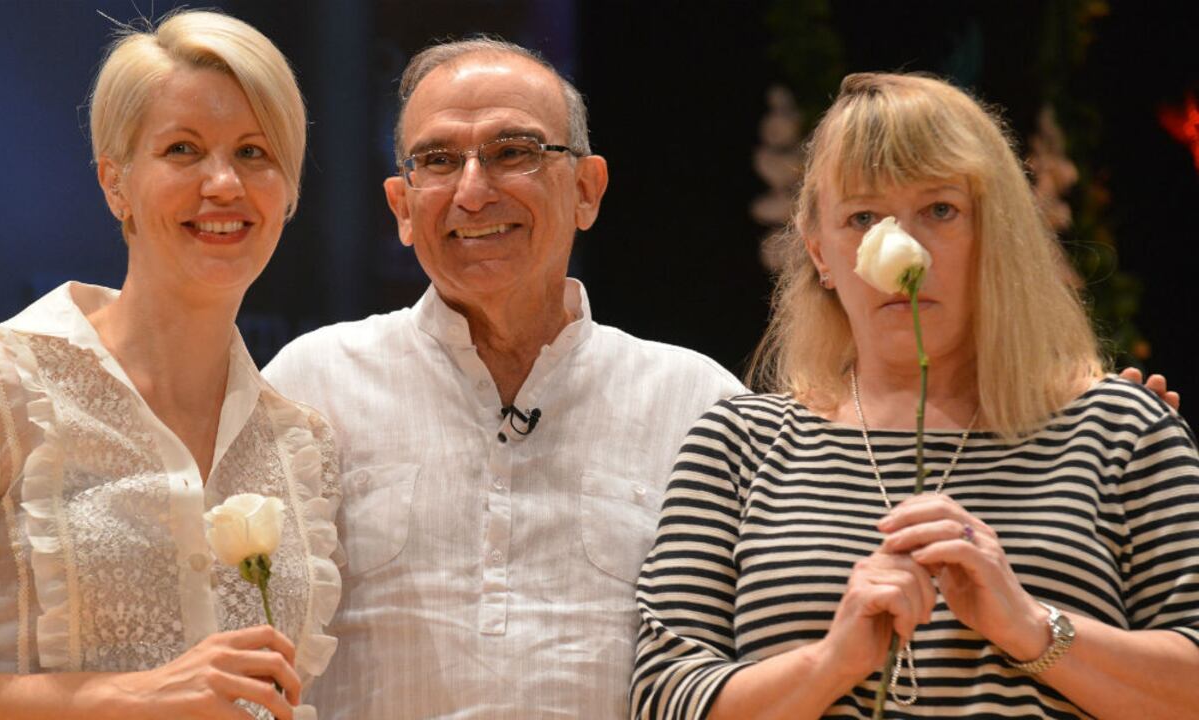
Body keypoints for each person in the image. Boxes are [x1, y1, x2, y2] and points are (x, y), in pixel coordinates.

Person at [632, 72, 1199, 719]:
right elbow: (661, 700)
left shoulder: (1122, 430)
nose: (907, 251)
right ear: (820, 252)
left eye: (940, 210)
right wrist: (830, 662)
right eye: (863, 217)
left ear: (997, 235)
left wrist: (1031, 627)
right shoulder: (740, 444)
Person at [262, 39, 745, 718]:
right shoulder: (310, 384)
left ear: (587, 189)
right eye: (437, 161)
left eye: (513, 152)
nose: (472, 191)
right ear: (401, 205)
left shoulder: (701, 404)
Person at [0, 11, 340, 719]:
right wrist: (121, 697)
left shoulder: (301, 443)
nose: (224, 184)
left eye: (254, 153)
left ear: (288, 191)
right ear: (116, 182)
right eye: (183, 149)